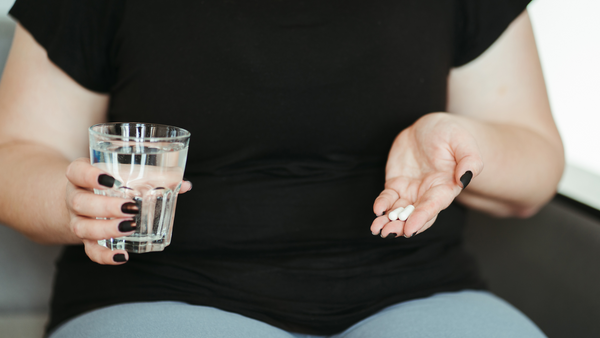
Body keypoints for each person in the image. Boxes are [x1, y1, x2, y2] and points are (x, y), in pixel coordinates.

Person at [0, 0, 563, 337]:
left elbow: (535, 172)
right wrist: (74, 202)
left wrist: (463, 141)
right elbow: (16, 150)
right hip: (162, 293)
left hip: (415, 290)